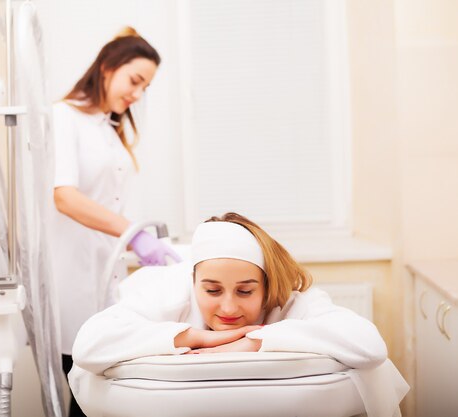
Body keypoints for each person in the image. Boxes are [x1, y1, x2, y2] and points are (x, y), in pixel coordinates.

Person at [70, 212, 409, 417]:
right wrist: (195, 336)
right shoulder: (172, 289)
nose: (229, 308)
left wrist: (253, 341)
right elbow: (88, 347)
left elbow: (370, 348)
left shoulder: (290, 301)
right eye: (212, 291)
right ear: (194, 281)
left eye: (246, 291)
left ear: (266, 285)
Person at [50, 27, 180, 416]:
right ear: (107, 67)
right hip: (71, 275)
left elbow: (109, 201)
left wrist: (135, 240)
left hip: (106, 273)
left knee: (103, 392)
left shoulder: (107, 127)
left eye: (145, 88)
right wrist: (134, 234)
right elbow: (65, 197)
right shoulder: (63, 117)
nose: (137, 94)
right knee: (82, 387)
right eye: (135, 81)